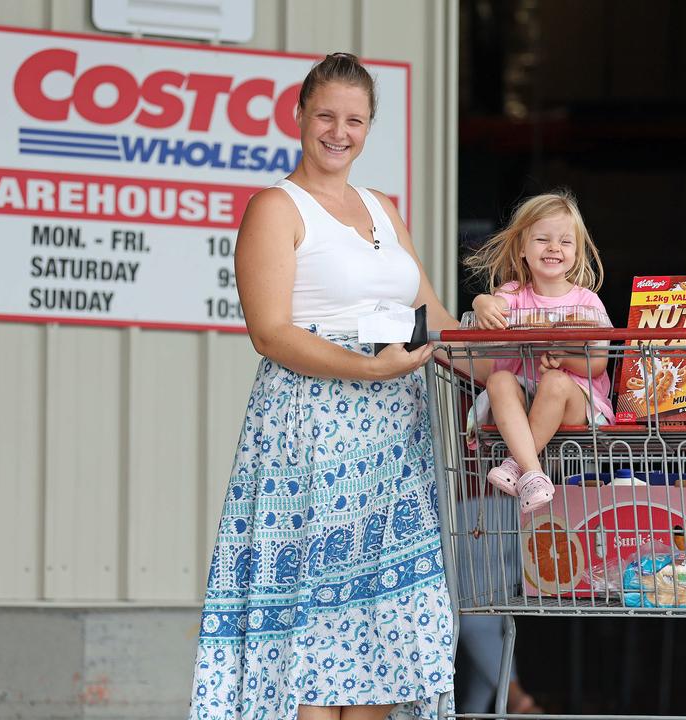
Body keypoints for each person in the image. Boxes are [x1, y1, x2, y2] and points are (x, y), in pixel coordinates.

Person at [190, 52, 458, 720]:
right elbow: (270, 331)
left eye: (355, 119)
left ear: (370, 126)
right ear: (300, 115)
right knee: (313, 616)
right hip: (314, 427)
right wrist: (368, 368)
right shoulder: (276, 207)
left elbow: (435, 322)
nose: (340, 131)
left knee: (381, 629)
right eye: (327, 116)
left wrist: (522, 349)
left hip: (396, 434)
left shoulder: (382, 207)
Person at [462, 191, 612, 512]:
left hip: (575, 400)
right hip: (524, 398)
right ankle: (533, 473)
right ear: (522, 249)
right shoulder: (515, 292)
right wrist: (481, 302)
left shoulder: (587, 301)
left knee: (556, 380)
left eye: (565, 242)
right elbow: (494, 304)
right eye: (542, 239)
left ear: (578, 251)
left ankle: (518, 464)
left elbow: (598, 364)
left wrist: (564, 356)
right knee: (499, 378)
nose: (554, 248)